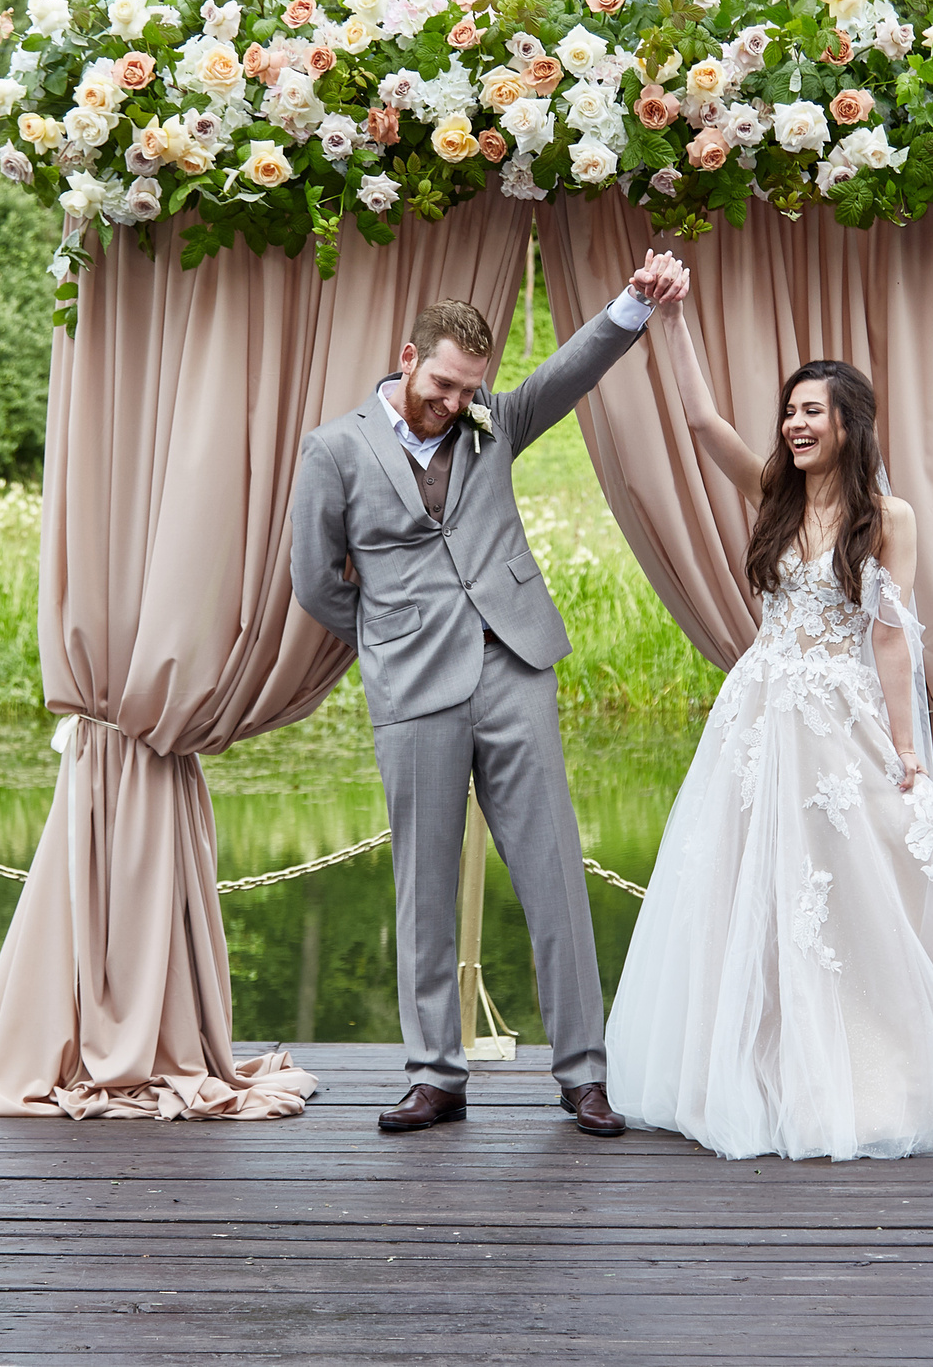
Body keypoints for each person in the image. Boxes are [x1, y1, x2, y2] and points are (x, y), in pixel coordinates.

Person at [601, 295, 933, 1160]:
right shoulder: (773, 492)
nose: (794, 423)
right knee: (745, 888)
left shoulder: (890, 518)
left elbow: (889, 636)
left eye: (811, 410)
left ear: (850, 423)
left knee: (857, 891)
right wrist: (674, 323)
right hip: (760, 715)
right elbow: (699, 419)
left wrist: (906, 750)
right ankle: (759, 1068)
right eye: (790, 411)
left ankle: (875, 1072)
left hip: (839, 719)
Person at [289, 253, 692, 1137]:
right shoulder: (334, 449)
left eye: (469, 389)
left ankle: (583, 1071)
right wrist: (389, 634)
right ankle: (437, 1075)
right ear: (406, 357)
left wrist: (633, 304)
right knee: (424, 886)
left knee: (554, 873)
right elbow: (315, 581)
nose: (453, 403)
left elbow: (568, 370)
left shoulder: (494, 422)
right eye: (441, 384)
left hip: (515, 665)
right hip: (413, 685)